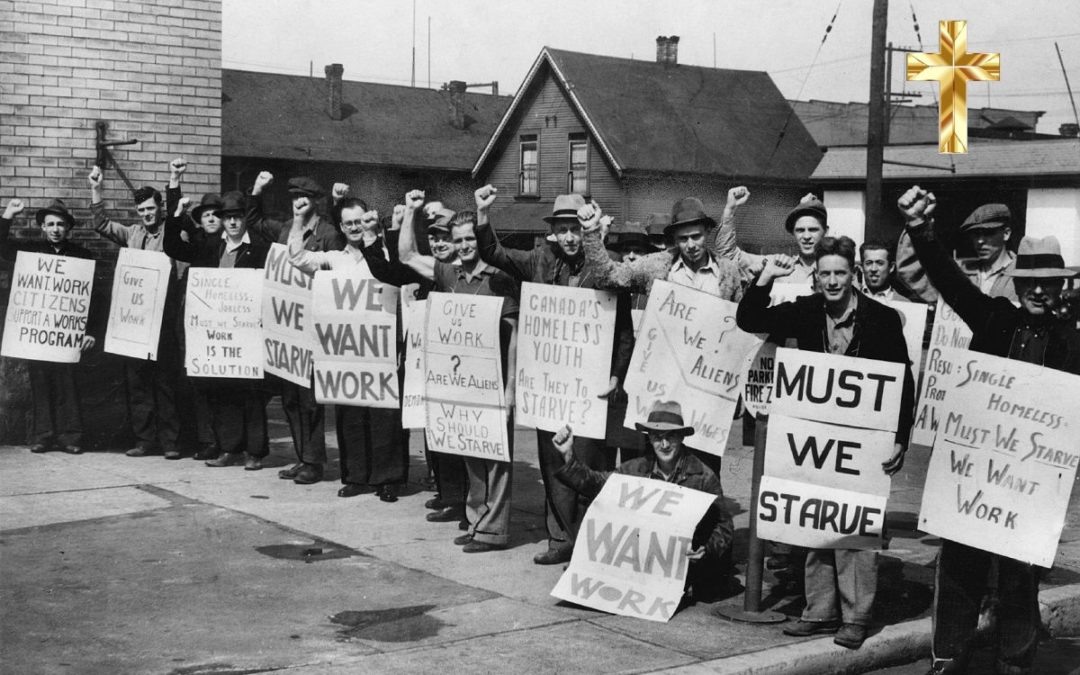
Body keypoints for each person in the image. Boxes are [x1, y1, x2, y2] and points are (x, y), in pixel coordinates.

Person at [898, 185, 1080, 675]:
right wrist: (919, 229)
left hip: (1031, 484)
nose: (1038, 291)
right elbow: (949, 281)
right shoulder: (994, 318)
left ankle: (1015, 658)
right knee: (959, 567)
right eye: (1030, 282)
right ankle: (949, 655)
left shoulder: (1072, 344)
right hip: (973, 476)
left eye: (1049, 283)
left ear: (1063, 287)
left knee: (1021, 575)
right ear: (1017, 283)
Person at [736, 235, 915, 650]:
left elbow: (903, 383)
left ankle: (856, 616)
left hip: (865, 441)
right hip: (818, 439)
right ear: (815, 277)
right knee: (816, 520)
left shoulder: (884, 319)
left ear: (854, 275)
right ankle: (820, 611)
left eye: (840, 273)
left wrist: (900, 438)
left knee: (856, 525)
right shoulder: (805, 311)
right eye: (825, 274)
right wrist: (764, 278)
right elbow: (749, 318)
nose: (833, 281)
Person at [475, 188, 634, 565]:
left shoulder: (605, 264)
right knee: (554, 464)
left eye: (575, 228)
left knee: (590, 465)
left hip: (591, 387)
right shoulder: (540, 261)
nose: (569, 237)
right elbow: (494, 254)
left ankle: (593, 543)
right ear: (553, 233)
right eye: (562, 229)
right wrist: (483, 214)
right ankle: (560, 537)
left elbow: (624, 330)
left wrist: (616, 376)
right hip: (551, 386)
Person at [579, 194, 743, 479]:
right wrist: (592, 233)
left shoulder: (727, 273)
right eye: (683, 239)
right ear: (674, 240)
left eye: (696, 237)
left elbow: (739, 334)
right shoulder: (657, 266)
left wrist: (736, 388)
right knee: (660, 468)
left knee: (704, 472)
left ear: (706, 233)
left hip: (706, 389)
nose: (691, 245)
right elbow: (609, 277)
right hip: (662, 388)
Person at [399, 189, 520, 553]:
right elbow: (406, 254)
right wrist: (411, 211)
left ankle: (493, 531)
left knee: (497, 457)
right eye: (459, 240)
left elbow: (515, 335)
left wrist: (512, 387)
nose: (465, 245)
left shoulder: (500, 278)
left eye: (470, 238)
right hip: (461, 384)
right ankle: (476, 519)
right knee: (471, 450)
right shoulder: (449, 274)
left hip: (494, 381)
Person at [287, 197, 409, 503]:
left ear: (369, 220)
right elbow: (298, 259)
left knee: (385, 416)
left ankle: (389, 478)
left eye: (360, 221)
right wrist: (299, 220)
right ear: (341, 227)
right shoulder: (334, 258)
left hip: (381, 348)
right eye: (349, 223)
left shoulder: (383, 252)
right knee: (350, 415)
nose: (355, 227)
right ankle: (357, 476)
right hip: (347, 352)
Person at [552, 400, 736, 602]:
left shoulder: (703, 476)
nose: (664, 445)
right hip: (645, 567)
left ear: (682, 437)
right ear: (649, 438)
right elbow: (597, 484)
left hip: (683, 567)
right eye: (658, 437)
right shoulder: (636, 469)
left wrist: (707, 550)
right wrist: (568, 454)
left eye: (671, 437)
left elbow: (724, 525)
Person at [247, 172, 346, 485]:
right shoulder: (285, 228)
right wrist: (258, 191)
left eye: (304, 197)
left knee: (309, 400)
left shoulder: (328, 233)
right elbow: (254, 222)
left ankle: (314, 462)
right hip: (286, 327)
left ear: (315, 201)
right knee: (289, 397)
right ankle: (302, 456)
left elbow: (337, 277)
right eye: (294, 197)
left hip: (313, 328)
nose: (298, 202)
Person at [164, 188, 270, 470]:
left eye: (237, 217)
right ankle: (229, 447)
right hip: (219, 333)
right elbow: (174, 248)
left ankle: (255, 452)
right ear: (222, 220)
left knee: (250, 392)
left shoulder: (259, 247)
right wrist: (175, 216)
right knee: (223, 391)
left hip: (248, 331)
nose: (233, 223)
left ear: (245, 218)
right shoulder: (211, 246)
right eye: (228, 218)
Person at [88, 160, 185, 459]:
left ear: (160, 209)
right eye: (141, 210)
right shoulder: (132, 235)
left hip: (165, 316)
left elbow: (176, 215)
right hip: (135, 320)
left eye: (151, 209)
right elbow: (101, 224)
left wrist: (174, 178)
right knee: (138, 381)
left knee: (165, 381)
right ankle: (146, 440)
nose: (146, 215)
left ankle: (171, 443)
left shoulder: (173, 232)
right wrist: (96, 189)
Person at [1, 198, 98, 454]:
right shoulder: (31, 252)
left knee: (68, 385)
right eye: (50, 224)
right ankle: (43, 436)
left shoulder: (82, 256)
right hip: (38, 334)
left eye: (61, 225)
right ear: (43, 227)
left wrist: (91, 332)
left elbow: (94, 297)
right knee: (40, 383)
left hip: (68, 334)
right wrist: (8, 215)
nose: (56, 229)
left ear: (68, 228)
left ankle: (71, 437)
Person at [896, 202, 1018, 304]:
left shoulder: (1023, 275)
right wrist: (916, 223)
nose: (980, 241)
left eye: (988, 233)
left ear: (1006, 234)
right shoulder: (959, 269)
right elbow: (911, 272)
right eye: (975, 234)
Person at [715, 188, 828, 289]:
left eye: (813, 230)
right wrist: (730, 209)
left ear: (826, 232)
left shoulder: (836, 270)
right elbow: (728, 255)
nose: (806, 236)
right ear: (793, 233)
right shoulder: (776, 265)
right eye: (800, 230)